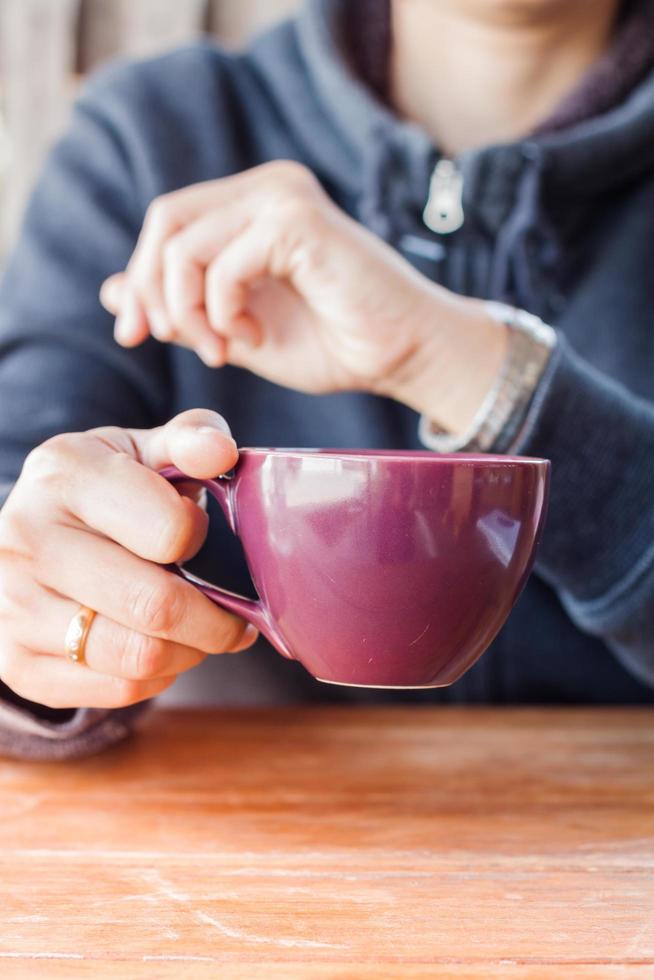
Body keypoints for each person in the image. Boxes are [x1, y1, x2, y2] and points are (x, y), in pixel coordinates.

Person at [1, 0, 653, 760]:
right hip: (233, 842)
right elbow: (18, 501)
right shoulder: (154, 136)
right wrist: (30, 624)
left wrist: (469, 366)